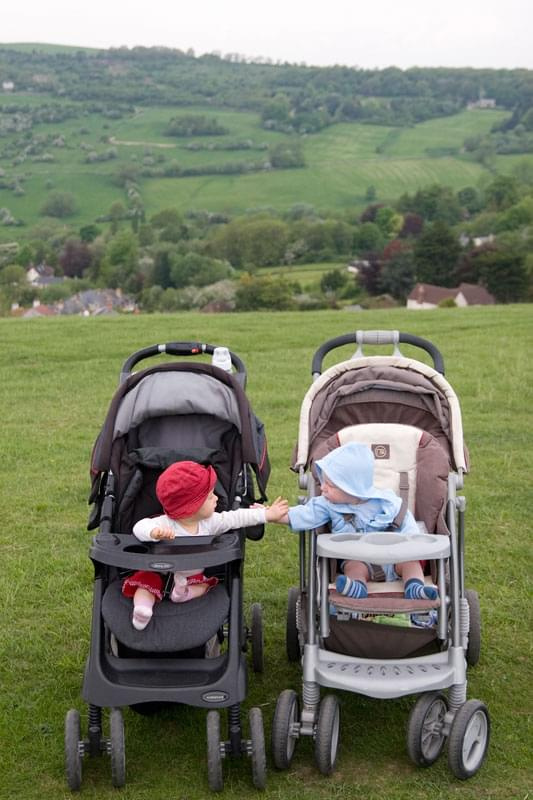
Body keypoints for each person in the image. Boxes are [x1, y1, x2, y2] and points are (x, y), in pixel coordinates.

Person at [123, 460, 289, 630]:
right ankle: (142, 609)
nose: (216, 498)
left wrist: (267, 514)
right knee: (145, 583)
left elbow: (236, 517)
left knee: (203, 585)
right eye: (210, 496)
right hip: (159, 571)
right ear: (191, 507)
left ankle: (184, 594)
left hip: (189, 578)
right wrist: (154, 532)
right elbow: (139, 527)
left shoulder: (210, 522)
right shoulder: (165, 524)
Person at [284, 442, 438, 602]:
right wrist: (273, 514)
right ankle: (357, 586)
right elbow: (306, 514)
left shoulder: (388, 503)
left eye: (330, 485)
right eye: (323, 482)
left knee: (411, 563)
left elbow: (408, 525)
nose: (322, 488)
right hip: (359, 558)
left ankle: (415, 587)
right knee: (353, 566)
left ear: (351, 488)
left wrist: (413, 545)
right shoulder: (327, 505)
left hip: (396, 557)